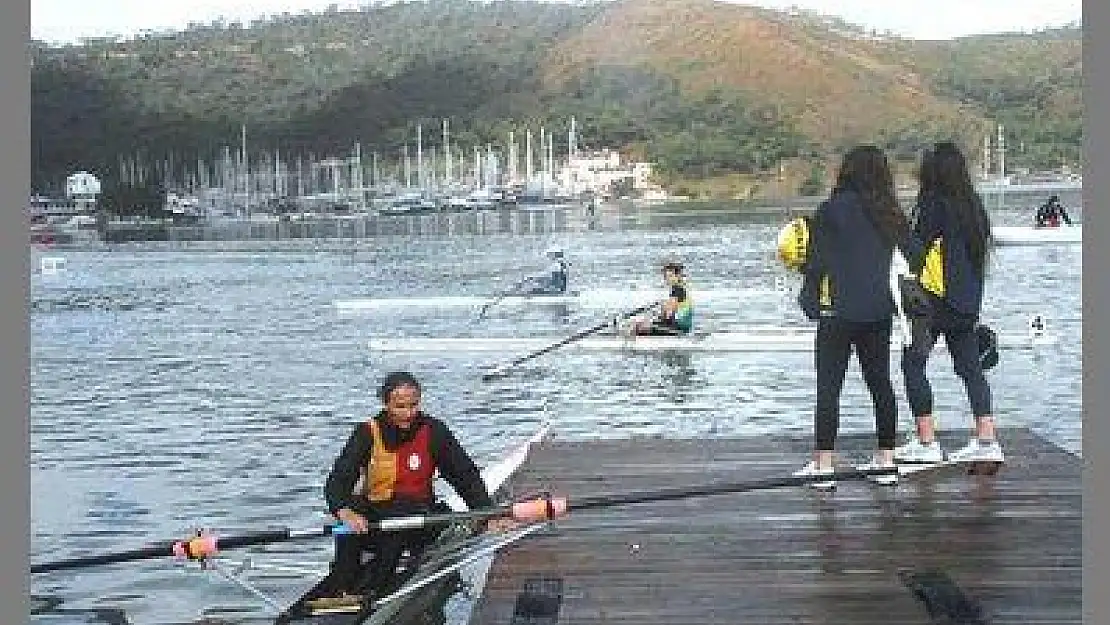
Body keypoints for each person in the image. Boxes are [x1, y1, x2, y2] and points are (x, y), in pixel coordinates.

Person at [320, 371, 511, 603]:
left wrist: (488, 513)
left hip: (418, 518)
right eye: (400, 407)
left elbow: (464, 476)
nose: (408, 414)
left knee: (399, 520)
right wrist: (343, 510)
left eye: (414, 405)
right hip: (378, 516)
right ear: (385, 403)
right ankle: (341, 585)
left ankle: (376, 593)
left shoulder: (434, 432)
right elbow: (338, 480)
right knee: (348, 522)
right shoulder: (366, 433)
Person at [788, 145, 913, 490]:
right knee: (881, 385)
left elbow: (816, 262)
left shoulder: (831, 210)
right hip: (877, 311)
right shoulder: (889, 212)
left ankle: (824, 467)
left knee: (829, 389)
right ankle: (886, 462)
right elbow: (915, 255)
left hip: (837, 311)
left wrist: (809, 299)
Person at [894, 142, 1004, 468]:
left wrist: (895, 231)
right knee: (971, 370)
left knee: (913, 365)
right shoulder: (974, 209)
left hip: (934, 303)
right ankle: (987, 439)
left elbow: (916, 250)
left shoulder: (933, 204)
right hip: (967, 305)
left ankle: (927, 442)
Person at [629, 259, 694, 336]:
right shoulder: (680, 288)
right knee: (644, 324)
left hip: (678, 328)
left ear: (678, 276)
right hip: (680, 326)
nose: (667, 279)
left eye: (670, 276)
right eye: (665, 276)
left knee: (639, 326)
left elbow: (668, 315)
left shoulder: (677, 290)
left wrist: (653, 319)